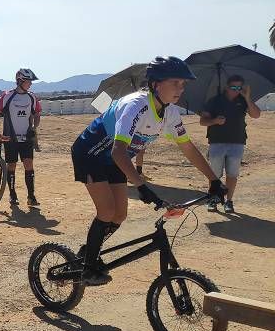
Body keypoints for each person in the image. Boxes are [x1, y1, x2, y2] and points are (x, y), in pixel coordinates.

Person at [70, 56, 226, 285]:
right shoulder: (135, 105)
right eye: (175, 83)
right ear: (155, 83)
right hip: (90, 154)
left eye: (183, 85)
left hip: (114, 160)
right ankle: (88, 268)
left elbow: (188, 148)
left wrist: (213, 180)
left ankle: (88, 252)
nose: (180, 89)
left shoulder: (171, 113)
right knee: (106, 211)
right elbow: (118, 152)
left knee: (120, 215)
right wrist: (141, 186)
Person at [199, 74, 261, 213]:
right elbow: (203, 121)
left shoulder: (243, 100)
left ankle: (229, 202)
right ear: (227, 87)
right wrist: (215, 121)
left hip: (237, 143)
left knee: (232, 175)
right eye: (233, 87)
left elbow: (256, 115)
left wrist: (247, 97)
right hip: (216, 143)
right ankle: (213, 200)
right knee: (214, 175)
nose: (236, 90)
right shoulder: (214, 101)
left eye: (239, 87)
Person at [0, 68, 42, 206]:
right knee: (12, 166)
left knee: (29, 166)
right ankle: (13, 195)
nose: (31, 84)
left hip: (26, 138)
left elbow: (37, 114)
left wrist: (34, 128)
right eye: (28, 81)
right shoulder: (7, 96)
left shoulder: (32, 97)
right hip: (10, 138)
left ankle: (31, 197)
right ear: (20, 81)